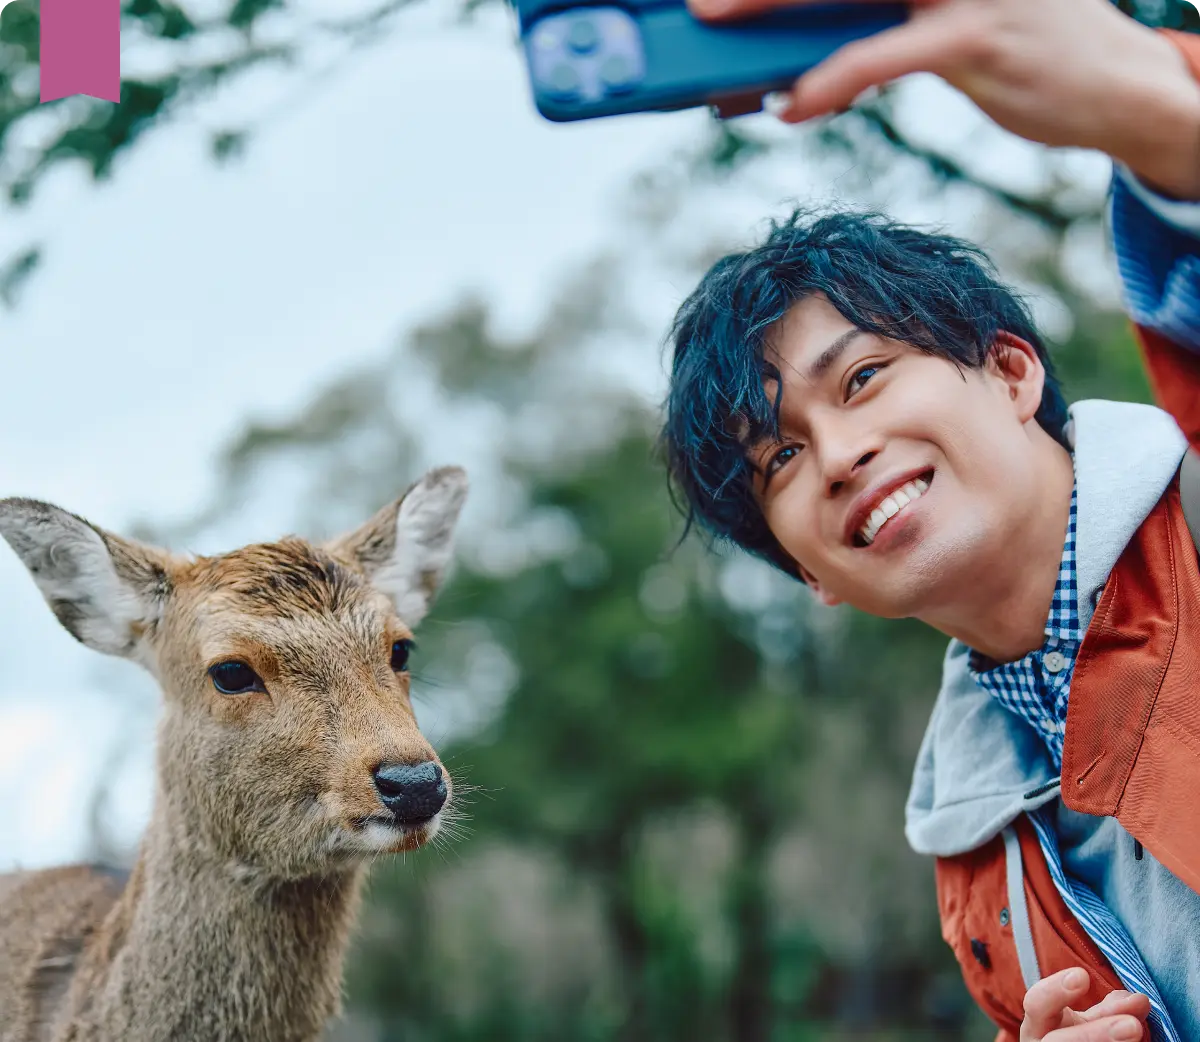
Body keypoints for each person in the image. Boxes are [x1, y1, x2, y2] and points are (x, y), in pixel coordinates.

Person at [661, 0, 1200, 1039]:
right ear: (812, 575)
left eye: (863, 377)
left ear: (1008, 370)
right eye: (779, 456)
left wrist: (1154, 112)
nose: (838, 454)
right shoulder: (974, 849)